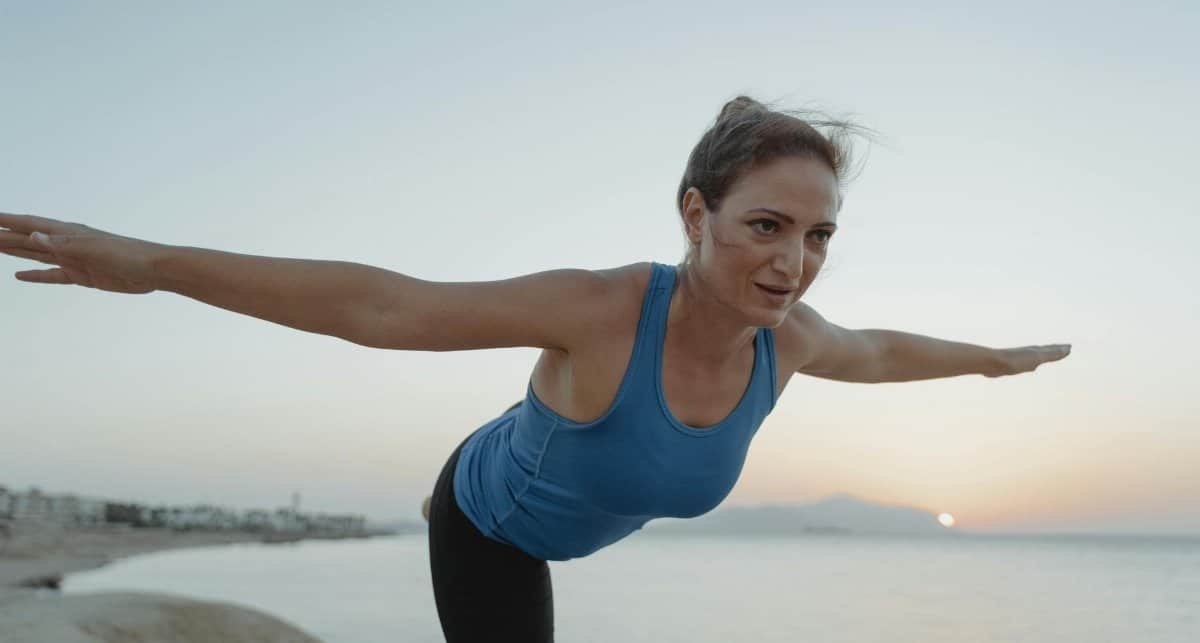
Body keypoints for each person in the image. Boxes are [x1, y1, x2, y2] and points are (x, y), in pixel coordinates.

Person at [0, 95, 1070, 642]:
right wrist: (151, 268)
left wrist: (993, 363)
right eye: (766, 225)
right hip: (490, 522)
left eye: (820, 235)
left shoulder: (787, 342)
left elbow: (879, 353)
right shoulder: (601, 309)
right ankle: (443, 493)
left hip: (541, 464)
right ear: (695, 214)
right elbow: (385, 305)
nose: (793, 263)